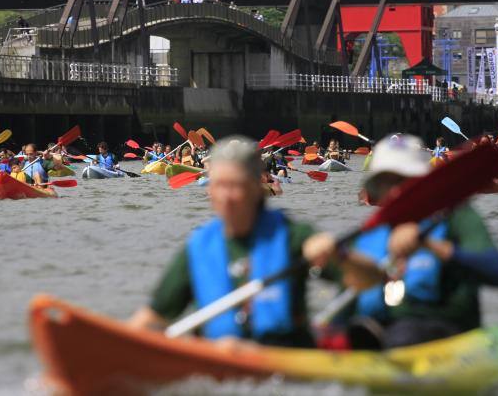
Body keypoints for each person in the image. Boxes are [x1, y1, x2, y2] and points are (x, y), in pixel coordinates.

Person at [128, 137, 354, 348]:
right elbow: (151, 318)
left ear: (257, 188)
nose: (226, 196)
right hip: (218, 364)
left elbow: (368, 279)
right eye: (219, 185)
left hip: (284, 369)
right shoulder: (198, 248)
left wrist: (338, 255)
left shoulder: (293, 237)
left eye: (235, 185)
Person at [343, 135, 498, 350]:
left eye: (403, 181)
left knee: (405, 334)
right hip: (385, 328)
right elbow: (347, 290)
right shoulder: (374, 229)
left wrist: (429, 245)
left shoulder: (456, 215)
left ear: (422, 182)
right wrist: (339, 257)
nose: (395, 191)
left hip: (448, 329)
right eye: (386, 183)